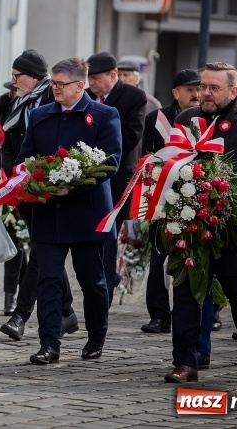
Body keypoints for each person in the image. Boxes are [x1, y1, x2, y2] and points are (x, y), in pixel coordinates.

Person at [166, 62, 237, 383]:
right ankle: (186, 362)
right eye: (202, 86)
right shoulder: (185, 120)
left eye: (213, 87)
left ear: (233, 91)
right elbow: (167, 167)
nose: (204, 93)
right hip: (189, 221)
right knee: (187, 291)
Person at [18, 57, 122, 364]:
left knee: (92, 281)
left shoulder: (104, 115)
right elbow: (26, 157)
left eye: (61, 84)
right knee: (48, 279)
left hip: (88, 213)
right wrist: (32, 181)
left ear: (80, 85)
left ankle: (96, 337)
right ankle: (49, 344)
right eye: (52, 83)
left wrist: (72, 186)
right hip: (49, 213)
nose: (55, 89)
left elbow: (110, 162)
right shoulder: (39, 115)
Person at [0, 50, 80, 340]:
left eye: (17, 75)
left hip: (51, 188)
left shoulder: (51, 101)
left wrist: (43, 176)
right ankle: (67, 313)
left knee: (40, 250)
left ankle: (21, 314)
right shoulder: (15, 103)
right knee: (46, 251)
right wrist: (15, 171)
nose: (13, 80)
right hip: (24, 186)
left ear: (33, 77)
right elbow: (7, 145)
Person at [140, 68, 201, 335]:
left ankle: (205, 312)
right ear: (176, 93)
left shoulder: (208, 116)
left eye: (199, 88)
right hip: (164, 198)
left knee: (199, 257)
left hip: (201, 199)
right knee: (158, 258)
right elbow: (147, 158)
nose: (196, 94)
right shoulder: (158, 119)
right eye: (190, 89)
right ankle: (159, 315)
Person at [85, 52, 146, 305]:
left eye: (97, 78)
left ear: (113, 75)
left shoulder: (134, 97)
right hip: (87, 174)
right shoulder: (86, 96)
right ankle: (95, 285)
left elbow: (131, 136)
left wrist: (95, 150)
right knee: (92, 235)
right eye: (89, 78)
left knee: (108, 234)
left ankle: (106, 291)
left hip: (118, 175)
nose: (92, 84)